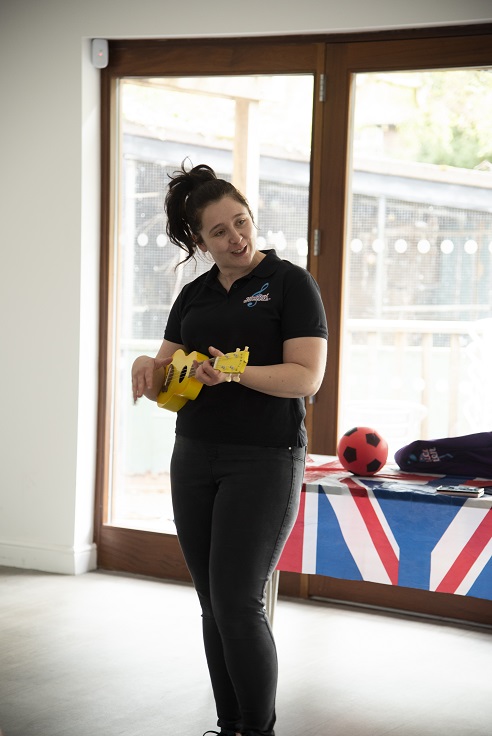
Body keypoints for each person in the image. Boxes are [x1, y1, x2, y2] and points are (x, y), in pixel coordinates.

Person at [131, 162, 328, 736]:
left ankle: (257, 730)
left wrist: (234, 375)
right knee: (213, 604)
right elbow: (169, 373)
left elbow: (305, 378)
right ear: (199, 240)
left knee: (239, 602)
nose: (236, 237)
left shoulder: (291, 283)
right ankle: (230, 725)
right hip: (194, 455)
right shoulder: (193, 294)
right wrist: (149, 366)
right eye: (219, 231)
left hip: (264, 459)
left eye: (241, 222)